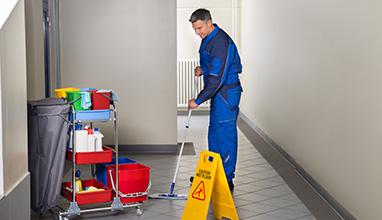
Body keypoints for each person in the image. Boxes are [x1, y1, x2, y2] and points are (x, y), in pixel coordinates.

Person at [188, 8, 243, 191]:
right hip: (220, 92)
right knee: (215, 132)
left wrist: (198, 100)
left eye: (200, 28)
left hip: (227, 93)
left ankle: (227, 178)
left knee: (225, 134)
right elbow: (212, 65)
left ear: (209, 23)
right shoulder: (209, 38)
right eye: (195, 29)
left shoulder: (220, 42)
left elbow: (218, 77)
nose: (197, 32)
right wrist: (202, 69)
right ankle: (213, 172)